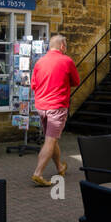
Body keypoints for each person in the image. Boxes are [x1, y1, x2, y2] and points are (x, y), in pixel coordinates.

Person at [30, 34, 80, 186]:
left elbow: (33, 84)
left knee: (52, 138)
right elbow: (75, 81)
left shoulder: (39, 62)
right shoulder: (67, 61)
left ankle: (60, 167)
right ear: (62, 46)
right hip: (56, 106)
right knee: (50, 140)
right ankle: (38, 173)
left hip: (41, 106)